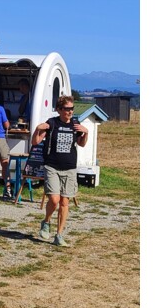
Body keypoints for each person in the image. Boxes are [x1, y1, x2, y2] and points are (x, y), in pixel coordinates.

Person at [32, 95, 88, 247]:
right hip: (52, 166)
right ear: (59, 109)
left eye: (72, 109)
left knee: (65, 202)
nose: (70, 112)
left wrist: (86, 132)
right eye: (66, 109)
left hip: (70, 168)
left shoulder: (76, 125)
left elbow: (81, 144)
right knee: (54, 199)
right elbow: (35, 142)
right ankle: (46, 221)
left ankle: (59, 235)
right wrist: (37, 130)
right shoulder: (52, 123)